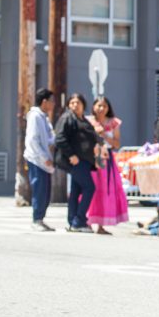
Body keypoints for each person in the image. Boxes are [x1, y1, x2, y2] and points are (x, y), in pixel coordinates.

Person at [54, 93, 98, 233]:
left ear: (83, 105)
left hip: (85, 161)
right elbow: (60, 138)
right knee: (89, 188)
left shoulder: (83, 120)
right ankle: (79, 221)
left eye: (77, 102)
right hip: (76, 161)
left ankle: (73, 221)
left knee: (76, 191)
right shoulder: (67, 118)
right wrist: (71, 155)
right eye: (72, 102)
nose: (75, 105)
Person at [86, 96, 130, 235]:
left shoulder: (114, 123)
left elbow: (117, 144)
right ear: (93, 107)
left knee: (106, 190)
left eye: (104, 106)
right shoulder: (88, 121)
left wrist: (104, 134)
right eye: (99, 105)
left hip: (106, 160)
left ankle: (101, 224)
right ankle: (85, 221)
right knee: (89, 190)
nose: (101, 108)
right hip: (91, 158)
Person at [25, 88, 56, 232]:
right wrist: (44, 157)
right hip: (37, 160)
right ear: (44, 102)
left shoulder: (44, 117)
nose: (53, 104)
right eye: (52, 101)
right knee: (39, 190)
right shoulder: (35, 116)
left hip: (44, 162)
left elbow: (49, 137)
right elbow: (32, 140)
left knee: (45, 191)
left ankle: (41, 219)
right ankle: (36, 219)